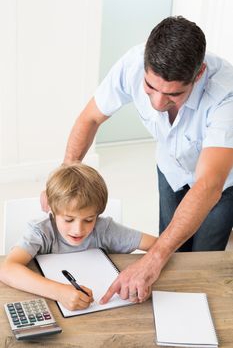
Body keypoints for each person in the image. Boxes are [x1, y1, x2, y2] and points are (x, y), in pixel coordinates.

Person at [41, 16, 233, 304]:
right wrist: (64, 182)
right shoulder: (132, 63)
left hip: (220, 187)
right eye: (150, 87)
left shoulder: (226, 96)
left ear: (199, 73)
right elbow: (91, 117)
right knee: (170, 248)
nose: (157, 103)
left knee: (202, 259)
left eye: (173, 94)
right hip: (171, 170)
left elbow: (208, 185)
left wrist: (152, 259)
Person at [0, 162, 156, 310]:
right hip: (51, 307)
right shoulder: (41, 232)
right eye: (68, 219)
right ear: (53, 211)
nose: (78, 230)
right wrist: (59, 292)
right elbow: (6, 269)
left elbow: (159, 246)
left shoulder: (104, 229)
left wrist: (143, 278)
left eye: (89, 220)